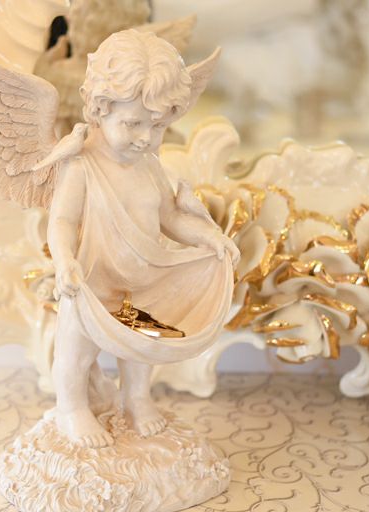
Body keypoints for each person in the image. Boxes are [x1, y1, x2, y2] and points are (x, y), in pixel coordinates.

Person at [47, 29, 238, 447]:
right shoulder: (80, 165)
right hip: (90, 284)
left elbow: (170, 216)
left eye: (158, 126)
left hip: (141, 280)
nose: (145, 138)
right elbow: (60, 221)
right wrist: (64, 261)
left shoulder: (148, 164)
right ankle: (72, 408)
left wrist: (207, 236)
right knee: (76, 353)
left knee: (141, 349)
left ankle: (135, 399)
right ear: (100, 108)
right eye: (132, 123)